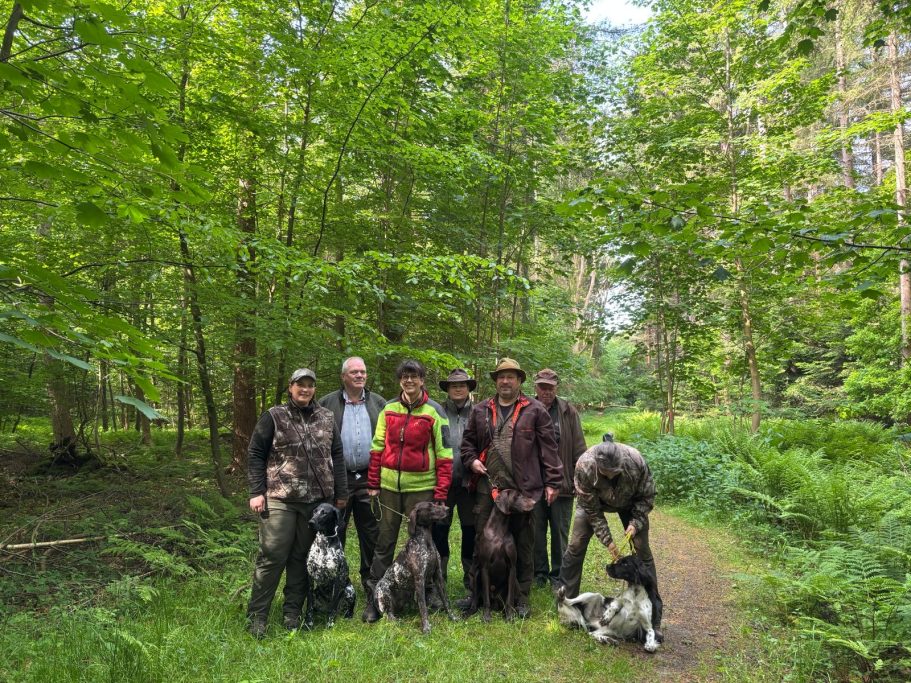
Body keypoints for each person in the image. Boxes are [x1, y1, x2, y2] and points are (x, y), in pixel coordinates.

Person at [246, 368, 348, 638]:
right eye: (300, 384)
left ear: (315, 389)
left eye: (310, 385)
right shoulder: (273, 416)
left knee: (302, 558)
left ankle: (292, 612)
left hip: (316, 501)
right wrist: (256, 491)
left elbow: (337, 455)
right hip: (280, 497)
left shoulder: (326, 417)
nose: (305, 389)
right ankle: (257, 616)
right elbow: (255, 453)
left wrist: (341, 493)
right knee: (272, 554)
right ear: (290, 387)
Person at [460, 358, 562, 618]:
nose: (505, 381)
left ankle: (521, 596)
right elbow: (468, 443)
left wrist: (553, 481)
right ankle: (476, 594)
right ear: (496, 381)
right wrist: (471, 461)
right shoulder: (481, 410)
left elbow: (549, 448)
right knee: (482, 541)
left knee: (524, 542)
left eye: (511, 377)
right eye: (501, 377)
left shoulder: (535, 410)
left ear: (519, 381)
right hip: (488, 489)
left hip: (523, 489)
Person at [363, 359, 453, 623]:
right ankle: (375, 597)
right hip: (389, 488)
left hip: (421, 489)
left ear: (422, 380)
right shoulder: (388, 409)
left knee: (424, 543)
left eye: (414, 376)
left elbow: (445, 454)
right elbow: (377, 446)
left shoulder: (435, 411)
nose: (409, 380)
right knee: (385, 542)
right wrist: (373, 482)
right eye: (405, 376)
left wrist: (440, 493)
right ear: (400, 380)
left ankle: (429, 592)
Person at [557, 436, 664, 640]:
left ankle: (654, 618)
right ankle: (567, 606)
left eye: (616, 472)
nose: (612, 476)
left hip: (631, 504)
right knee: (576, 545)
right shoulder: (584, 466)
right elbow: (592, 511)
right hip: (592, 505)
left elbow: (647, 496)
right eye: (606, 473)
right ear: (598, 466)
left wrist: (635, 523)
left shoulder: (636, 461)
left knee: (642, 551)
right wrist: (608, 541)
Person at [317, 356, 386, 614]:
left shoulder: (379, 403)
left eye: (363, 372)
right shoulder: (326, 403)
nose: (360, 375)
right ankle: (335, 587)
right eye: (354, 372)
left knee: (372, 535)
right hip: (339, 479)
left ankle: (373, 588)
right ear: (343, 376)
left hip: (371, 478)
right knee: (335, 533)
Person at [531, 368, 586, 588]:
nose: (546, 391)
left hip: (562, 485)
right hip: (533, 484)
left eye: (550, 387)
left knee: (559, 533)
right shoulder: (526, 408)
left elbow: (579, 449)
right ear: (535, 387)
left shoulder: (568, 412)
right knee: (535, 531)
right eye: (542, 387)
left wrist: (578, 480)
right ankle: (539, 573)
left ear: (556, 388)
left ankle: (558, 576)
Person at [432, 368, 477, 591]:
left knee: (471, 531)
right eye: (453, 385)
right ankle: (438, 578)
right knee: (439, 530)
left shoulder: (480, 412)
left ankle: (471, 579)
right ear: (447, 389)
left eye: (462, 385)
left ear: (468, 388)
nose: (458, 389)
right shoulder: (437, 412)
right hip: (443, 484)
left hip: (470, 484)